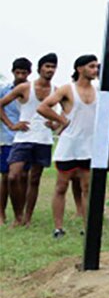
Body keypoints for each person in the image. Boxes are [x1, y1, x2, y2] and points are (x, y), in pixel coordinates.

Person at [37, 55, 100, 239]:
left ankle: (87, 227)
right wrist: (60, 119)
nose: (95, 70)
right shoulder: (67, 89)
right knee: (61, 186)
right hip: (69, 146)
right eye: (91, 66)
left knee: (87, 187)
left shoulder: (98, 90)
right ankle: (58, 228)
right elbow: (43, 107)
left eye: (96, 67)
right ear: (80, 68)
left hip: (88, 146)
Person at [0, 53, 58, 227]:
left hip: (44, 139)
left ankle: (27, 218)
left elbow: (69, 109)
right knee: (13, 176)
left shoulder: (57, 90)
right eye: (47, 66)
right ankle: (17, 215)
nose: (50, 70)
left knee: (34, 179)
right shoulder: (25, 88)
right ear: (40, 69)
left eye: (53, 67)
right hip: (22, 138)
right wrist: (11, 125)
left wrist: (56, 123)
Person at [0, 58, 31, 223]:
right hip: (8, 138)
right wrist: (10, 125)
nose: (20, 75)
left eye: (24, 73)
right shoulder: (4, 91)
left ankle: (21, 212)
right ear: (13, 72)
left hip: (27, 139)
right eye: (17, 72)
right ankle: (2, 213)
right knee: (7, 177)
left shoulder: (33, 91)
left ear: (29, 74)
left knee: (25, 176)